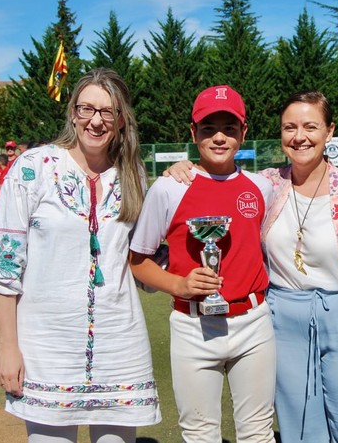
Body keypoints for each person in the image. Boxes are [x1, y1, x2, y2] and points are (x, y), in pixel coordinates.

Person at [167, 91, 338, 442]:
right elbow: (221, 182)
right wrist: (184, 168)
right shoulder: (267, 185)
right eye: (289, 127)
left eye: (310, 126)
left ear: (329, 131)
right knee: (300, 426)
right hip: (281, 318)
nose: (299, 136)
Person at [0, 68, 160, 442]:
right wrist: (8, 347)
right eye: (86, 109)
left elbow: (148, 258)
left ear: (122, 118)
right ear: (73, 113)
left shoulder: (135, 174)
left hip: (120, 345)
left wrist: (180, 182)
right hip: (46, 346)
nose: (96, 121)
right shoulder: (32, 168)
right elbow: (3, 267)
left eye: (107, 111)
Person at [129, 85, 276, 443]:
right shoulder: (169, 188)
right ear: (193, 133)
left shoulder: (262, 187)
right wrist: (178, 284)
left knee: (258, 432)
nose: (220, 137)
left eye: (229, 127)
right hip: (192, 325)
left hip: (254, 322)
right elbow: (138, 261)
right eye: (208, 128)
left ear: (243, 132)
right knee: (199, 434)